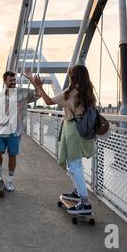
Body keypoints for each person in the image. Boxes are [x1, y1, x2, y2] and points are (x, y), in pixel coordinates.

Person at [32, 65, 96, 215]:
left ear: (72, 77)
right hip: (84, 130)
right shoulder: (88, 93)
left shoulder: (70, 93)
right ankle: (77, 193)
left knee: (74, 166)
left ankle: (85, 203)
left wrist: (40, 86)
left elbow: (48, 101)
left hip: (73, 131)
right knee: (76, 164)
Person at [0, 69, 41, 191]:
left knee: (12, 155)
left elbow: (38, 94)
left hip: (15, 132)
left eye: (14, 80)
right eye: (11, 80)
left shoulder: (23, 93)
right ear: (5, 81)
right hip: (0, 130)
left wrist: (31, 78)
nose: (13, 82)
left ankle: (10, 181)